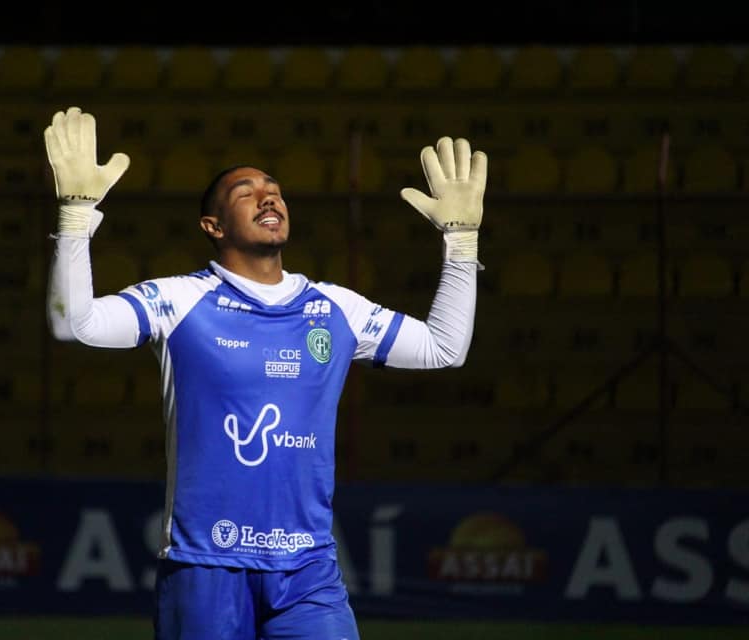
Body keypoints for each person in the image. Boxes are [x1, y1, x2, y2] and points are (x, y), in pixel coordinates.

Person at [45, 106, 486, 640]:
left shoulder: (334, 307)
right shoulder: (180, 299)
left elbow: (444, 348)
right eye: (245, 192)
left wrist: (462, 243)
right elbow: (76, 325)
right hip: (204, 563)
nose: (268, 196)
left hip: (308, 570)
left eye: (274, 189)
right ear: (213, 226)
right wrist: (76, 216)